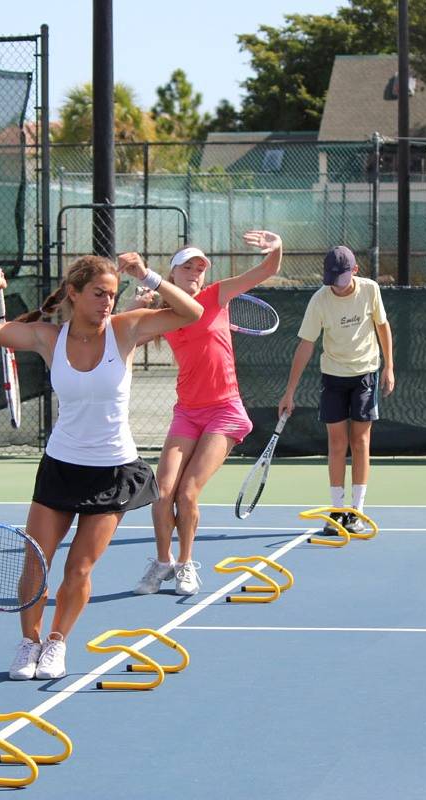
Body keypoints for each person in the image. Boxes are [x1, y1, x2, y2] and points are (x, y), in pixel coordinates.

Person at [0, 254, 203, 680]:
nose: (107, 302)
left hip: (112, 472)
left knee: (79, 567)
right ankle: (29, 643)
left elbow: (191, 311)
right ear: (74, 294)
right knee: (35, 562)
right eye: (99, 294)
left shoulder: (127, 329)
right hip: (61, 466)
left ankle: (57, 642)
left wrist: (146, 274)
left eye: (113, 295)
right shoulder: (48, 337)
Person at [133, 231, 284, 596]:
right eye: (188, 267)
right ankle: (163, 561)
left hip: (224, 411)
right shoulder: (162, 315)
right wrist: (135, 305)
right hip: (187, 412)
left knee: (187, 494)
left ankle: (186, 564)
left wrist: (276, 248)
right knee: (161, 492)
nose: (196, 273)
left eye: (200, 268)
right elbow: (123, 338)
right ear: (172, 275)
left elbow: (265, 270)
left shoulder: (216, 296)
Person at [278, 245, 394, 535]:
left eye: (340, 279)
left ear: (354, 271)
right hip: (333, 377)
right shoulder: (320, 300)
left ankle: (356, 511)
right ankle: (338, 510)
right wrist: (289, 391)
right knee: (337, 444)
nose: (335, 286)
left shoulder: (369, 290)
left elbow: (382, 326)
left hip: (365, 374)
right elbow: (306, 344)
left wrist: (389, 366)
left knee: (361, 442)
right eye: (331, 278)